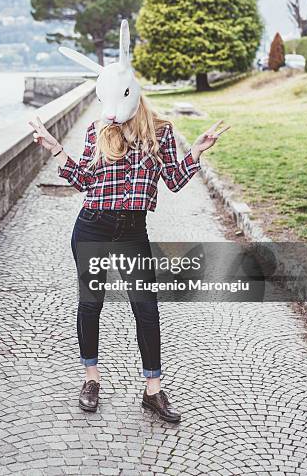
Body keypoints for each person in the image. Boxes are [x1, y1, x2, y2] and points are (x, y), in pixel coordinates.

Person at [29, 21, 229, 423]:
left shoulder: (161, 132)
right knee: (91, 303)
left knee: (146, 308)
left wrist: (199, 151)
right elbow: (86, 180)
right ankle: (91, 379)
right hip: (92, 227)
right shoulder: (97, 129)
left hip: (133, 231)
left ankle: (152, 390)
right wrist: (55, 150)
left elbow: (173, 180)